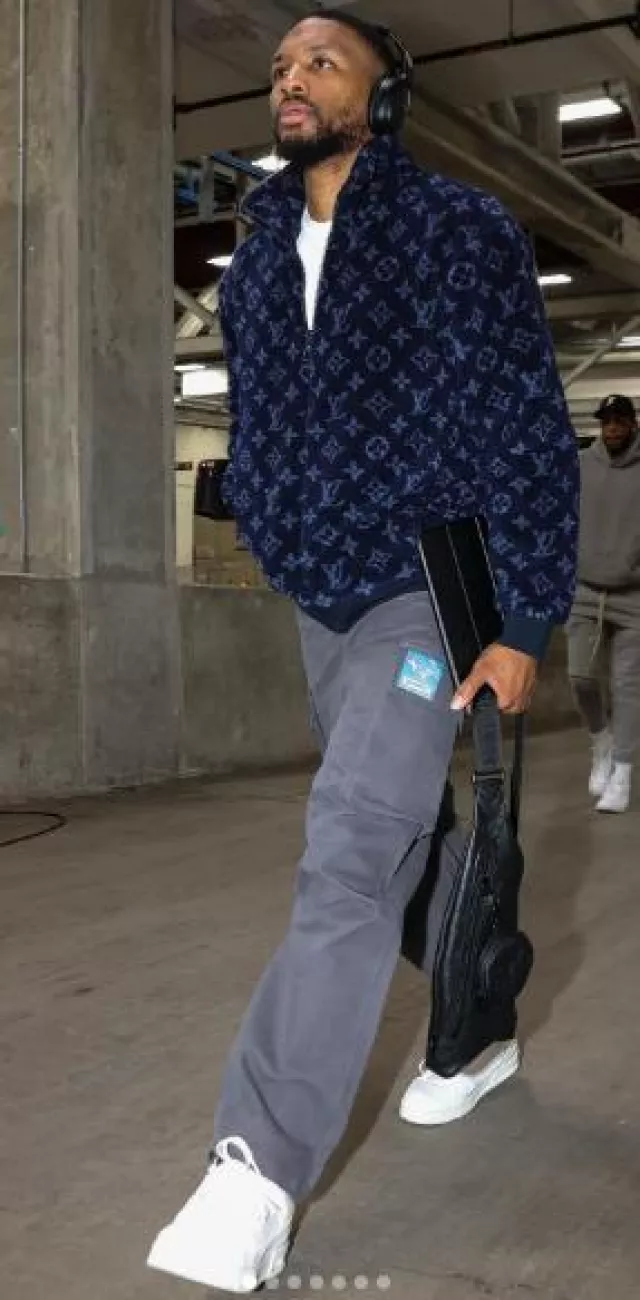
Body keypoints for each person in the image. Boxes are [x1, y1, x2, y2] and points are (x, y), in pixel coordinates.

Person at [148, 11, 579, 1293]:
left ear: (384, 96)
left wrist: (521, 619)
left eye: (320, 63)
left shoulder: (458, 230)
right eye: (280, 67)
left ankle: (257, 1168)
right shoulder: (253, 264)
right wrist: (269, 521)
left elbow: (526, 429)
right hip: (320, 599)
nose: (290, 80)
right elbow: (262, 423)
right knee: (402, 833)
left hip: (424, 584)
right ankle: (476, 1022)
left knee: (348, 845)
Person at [567, 394, 640, 813]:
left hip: (634, 595)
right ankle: (602, 743)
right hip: (585, 590)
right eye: (606, 421)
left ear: (632, 424)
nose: (612, 427)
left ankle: (623, 773)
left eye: (619, 420)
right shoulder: (582, 465)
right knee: (580, 676)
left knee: (628, 685)